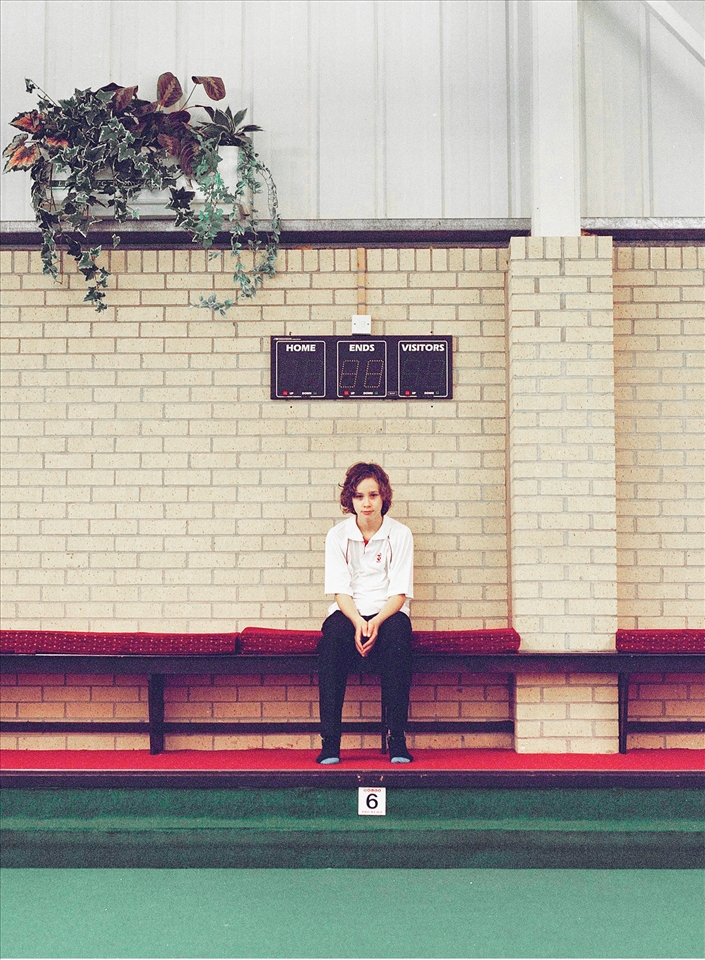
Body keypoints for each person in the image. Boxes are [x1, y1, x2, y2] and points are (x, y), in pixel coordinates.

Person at [316, 462, 414, 765]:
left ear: (383, 496)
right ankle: (330, 742)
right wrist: (358, 622)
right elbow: (340, 590)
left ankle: (396, 739)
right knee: (331, 641)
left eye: (373, 495)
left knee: (399, 640)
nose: (367, 503)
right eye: (359, 496)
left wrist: (375, 623)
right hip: (349, 612)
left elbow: (399, 592)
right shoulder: (337, 535)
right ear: (351, 500)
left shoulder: (400, 534)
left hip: (389, 612)